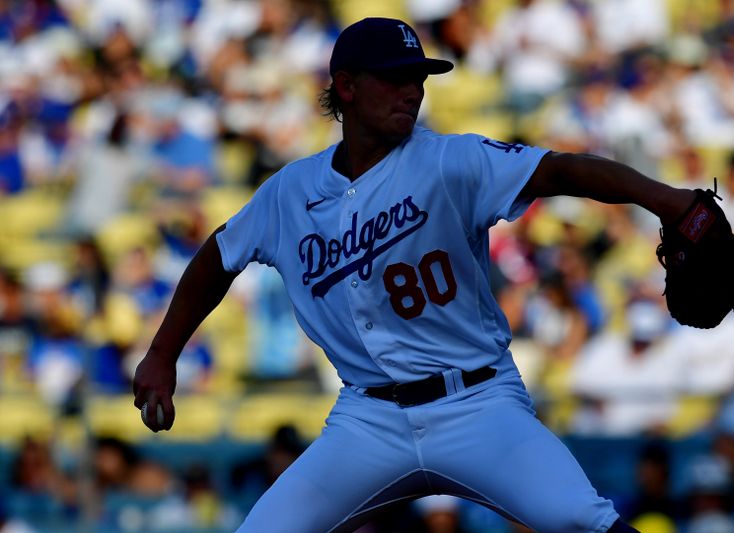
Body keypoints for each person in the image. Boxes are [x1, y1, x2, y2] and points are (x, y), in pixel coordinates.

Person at [133, 17, 696, 533]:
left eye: (419, 78)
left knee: (582, 520)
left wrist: (669, 201)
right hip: (367, 418)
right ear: (347, 87)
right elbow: (218, 255)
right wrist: (163, 351)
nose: (413, 90)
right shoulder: (289, 191)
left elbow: (560, 169)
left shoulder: (449, 160)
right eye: (395, 77)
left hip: (477, 401)